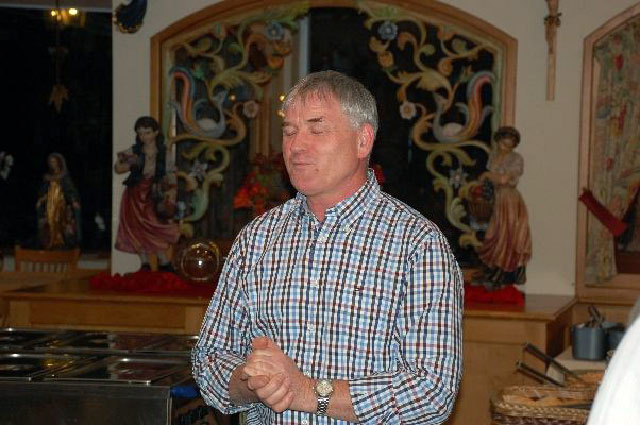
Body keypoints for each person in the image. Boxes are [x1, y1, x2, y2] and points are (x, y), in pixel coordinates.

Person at [192, 70, 464, 424]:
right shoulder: (257, 238)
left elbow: (431, 392)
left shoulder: (417, 245)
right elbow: (209, 359)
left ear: (363, 141)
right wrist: (253, 381)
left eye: (316, 130)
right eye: (289, 131)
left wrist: (307, 392)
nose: (296, 146)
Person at [114, 116, 179, 272]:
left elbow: (170, 174)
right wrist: (129, 163)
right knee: (136, 228)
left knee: (154, 225)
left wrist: (170, 193)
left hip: (153, 193)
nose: (144, 136)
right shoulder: (134, 151)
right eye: (140, 133)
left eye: (147, 132)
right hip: (135, 194)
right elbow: (118, 168)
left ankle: (163, 261)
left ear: (155, 133)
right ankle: (144, 263)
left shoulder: (163, 152)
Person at [477, 126, 532, 287]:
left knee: (508, 233)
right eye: (503, 144)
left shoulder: (516, 159)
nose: (505, 148)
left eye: (509, 146)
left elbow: (504, 179)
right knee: (494, 233)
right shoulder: (493, 156)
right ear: (498, 142)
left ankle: (504, 271)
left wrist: (487, 175)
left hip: (509, 200)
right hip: (498, 198)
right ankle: (494, 268)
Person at [36, 152, 82, 249]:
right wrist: (41, 199)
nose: (52, 164)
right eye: (51, 162)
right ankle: (50, 242)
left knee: (58, 220)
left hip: (60, 202)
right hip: (50, 202)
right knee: (50, 220)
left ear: (58, 162)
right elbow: (45, 191)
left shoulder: (64, 176)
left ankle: (59, 241)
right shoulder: (48, 177)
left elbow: (69, 189)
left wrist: (73, 200)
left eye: (54, 161)